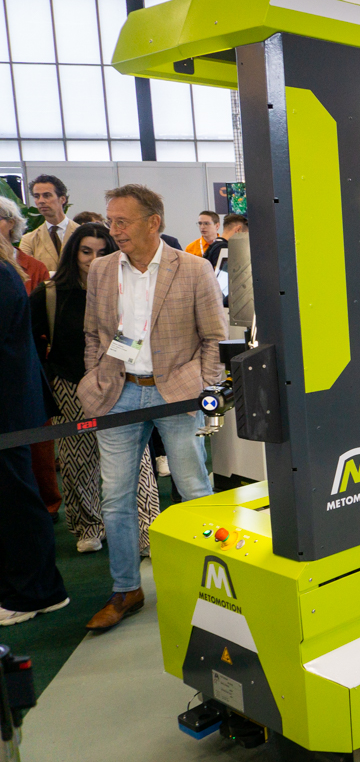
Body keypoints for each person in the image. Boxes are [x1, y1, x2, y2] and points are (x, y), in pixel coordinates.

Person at [80, 184, 227, 632]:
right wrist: (96, 377)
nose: (113, 229)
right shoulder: (102, 270)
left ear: (153, 223)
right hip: (118, 391)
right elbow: (93, 334)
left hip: (176, 391)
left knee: (193, 489)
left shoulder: (194, 268)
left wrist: (200, 385)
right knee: (116, 498)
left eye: (122, 221)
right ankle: (126, 589)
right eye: (111, 220)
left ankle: (212, 585)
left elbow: (214, 337)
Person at [30, 223, 161, 554]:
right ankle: (88, 526)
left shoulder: (127, 287)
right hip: (69, 385)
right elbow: (27, 339)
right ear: (73, 253)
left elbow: (136, 333)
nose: (93, 259)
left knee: (136, 460)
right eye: (86, 251)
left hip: (120, 382)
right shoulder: (51, 293)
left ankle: (147, 531)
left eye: (102, 252)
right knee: (77, 462)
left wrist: (112, 369)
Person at [0, 256, 70, 626]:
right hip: (11, 408)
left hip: (7, 411)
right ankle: (24, 588)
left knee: (16, 502)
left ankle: (37, 593)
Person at [2, 197, 59, 517]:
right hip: (16, 381)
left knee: (30, 463)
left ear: (11, 223)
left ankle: (48, 506)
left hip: (21, 378)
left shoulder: (23, 268)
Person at [19, 174, 78, 274]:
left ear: (62, 199)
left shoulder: (81, 233)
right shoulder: (29, 240)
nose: (41, 201)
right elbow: (25, 273)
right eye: (36, 196)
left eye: (47, 195)